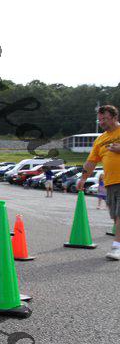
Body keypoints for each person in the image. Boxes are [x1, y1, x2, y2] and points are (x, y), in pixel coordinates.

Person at [77, 105, 120, 260]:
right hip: (110, 183)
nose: (101, 122)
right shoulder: (100, 140)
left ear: (115, 117)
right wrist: (83, 178)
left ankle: (116, 248)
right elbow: (91, 162)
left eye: (105, 119)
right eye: (99, 119)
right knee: (114, 216)